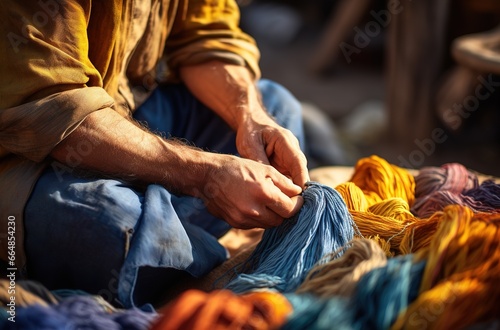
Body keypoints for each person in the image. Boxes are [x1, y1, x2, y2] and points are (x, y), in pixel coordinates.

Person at [0, 0, 309, 307]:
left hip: (130, 108)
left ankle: (176, 239)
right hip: (27, 156)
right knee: (118, 229)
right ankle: (178, 241)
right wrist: (206, 175)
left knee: (278, 107)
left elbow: (205, 36)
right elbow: (53, 105)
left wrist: (251, 118)